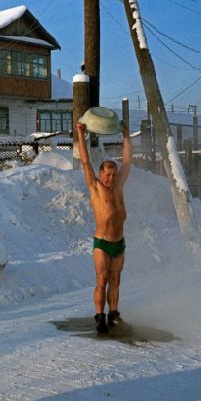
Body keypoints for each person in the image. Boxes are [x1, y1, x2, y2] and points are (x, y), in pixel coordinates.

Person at [75, 119, 132, 335]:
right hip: (102, 243)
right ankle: (99, 317)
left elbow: (127, 161)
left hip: (119, 243)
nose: (111, 178)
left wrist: (125, 134)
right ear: (100, 175)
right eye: (107, 174)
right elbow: (84, 161)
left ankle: (114, 315)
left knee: (116, 279)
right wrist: (81, 134)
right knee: (103, 279)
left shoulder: (119, 187)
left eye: (113, 174)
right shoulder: (95, 188)